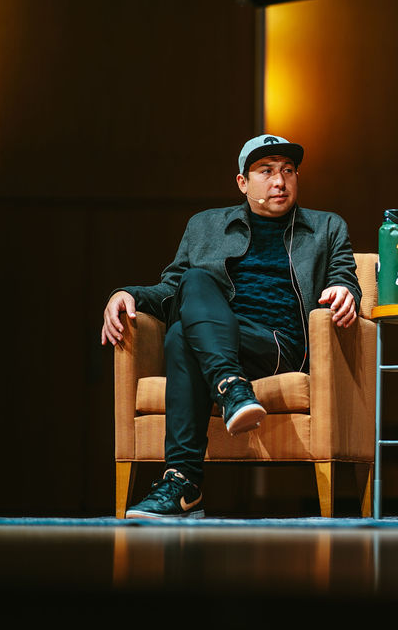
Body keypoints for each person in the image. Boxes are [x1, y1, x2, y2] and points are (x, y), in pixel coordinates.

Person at [101, 134, 361, 519]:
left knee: (181, 334)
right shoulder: (205, 226)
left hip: (277, 346)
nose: (280, 181)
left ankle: (182, 481)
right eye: (266, 171)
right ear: (242, 182)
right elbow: (172, 287)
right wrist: (126, 294)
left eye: (288, 171)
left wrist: (344, 288)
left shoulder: (325, 227)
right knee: (191, 290)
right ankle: (229, 393)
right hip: (219, 339)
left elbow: (344, 273)